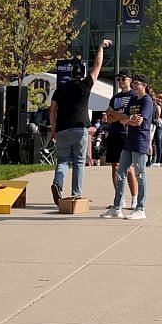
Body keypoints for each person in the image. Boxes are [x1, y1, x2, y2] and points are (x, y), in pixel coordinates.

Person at [49, 40, 107, 205]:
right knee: (79, 162)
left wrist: (54, 128)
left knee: (62, 160)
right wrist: (100, 47)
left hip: (61, 129)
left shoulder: (60, 89)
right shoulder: (85, 85)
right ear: (81, 74)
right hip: (79, 128)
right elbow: (97, 66)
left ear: (70, 74)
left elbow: (52, 110)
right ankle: (76, 194)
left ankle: (57, 184)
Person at [105, 74, 154, 219]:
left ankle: (140, 208)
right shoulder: (132, 99)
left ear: (144, 85)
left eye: (137, 83)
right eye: (133, 83)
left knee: (140, 174)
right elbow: (122, 119)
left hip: (140, 141)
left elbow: (138, 122)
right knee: (120, 172)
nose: (133, 85)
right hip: (129, 140)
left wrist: (122, 117)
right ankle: (117, 207)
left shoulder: (147, 101)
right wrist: (125, 118)